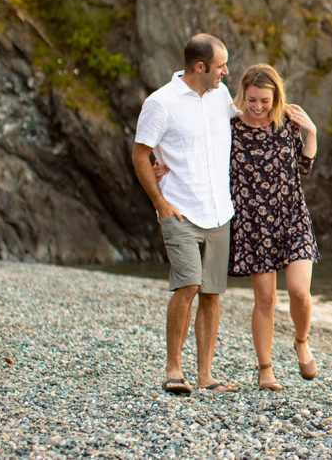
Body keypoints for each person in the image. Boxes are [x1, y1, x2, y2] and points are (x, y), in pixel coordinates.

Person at [131, 33, 238, 396]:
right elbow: (140, 154)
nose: (226, 72)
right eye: (221, 66)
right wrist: (160, 204)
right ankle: (173, 369)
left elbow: (251, 118)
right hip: (179, 210)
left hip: (220, 210)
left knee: (212, 292)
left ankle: (205, 375)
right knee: (188, 284)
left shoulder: (221, 96)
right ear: (200, 66)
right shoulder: (161, 103)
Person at [228, 63, 320, 390]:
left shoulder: (287, 123)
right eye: (252, 99)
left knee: (299, 292)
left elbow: (304, 166)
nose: (257, 107)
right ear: (243, 94)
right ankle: (265, 369)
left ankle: (301, 341)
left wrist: (311, 133)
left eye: (264, 101)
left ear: (275, 97)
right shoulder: (230, 128)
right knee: (265, 299)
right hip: (254, 223)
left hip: (292, 217)